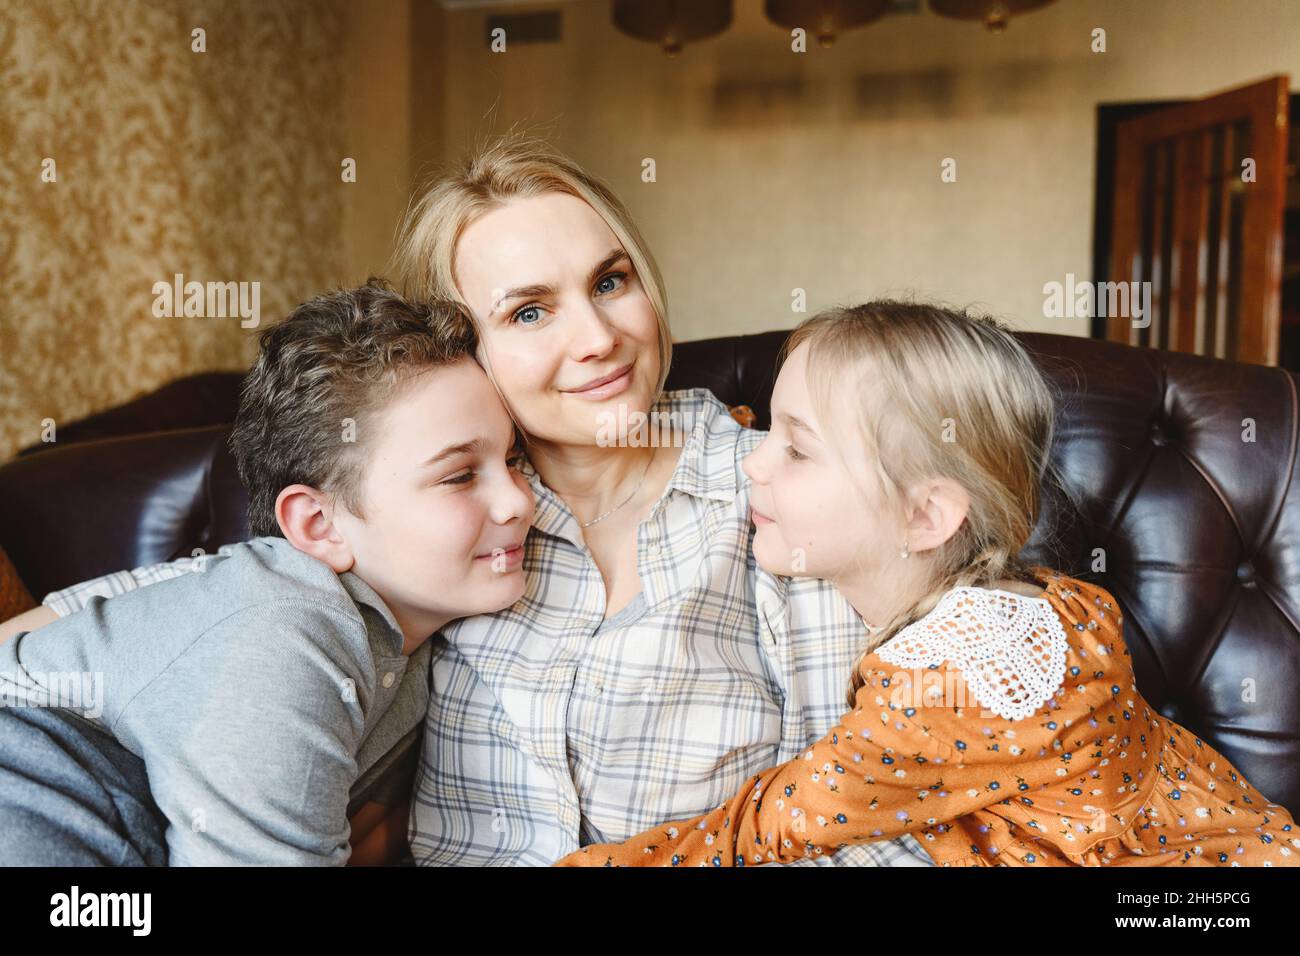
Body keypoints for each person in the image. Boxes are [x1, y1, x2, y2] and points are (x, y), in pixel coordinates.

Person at [2, 134, 931, 868]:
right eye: (529, 311)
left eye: (612, 282)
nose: (600, 337)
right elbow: (202, 608)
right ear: (460, 351)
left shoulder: (771, 489)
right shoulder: (431, 521)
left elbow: (867, 802)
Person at [554, 301, 1300, 867]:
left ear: (924, 516)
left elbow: (769, 825)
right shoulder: (1038, 602)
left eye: (796, 449)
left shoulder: (941, 688)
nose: (753, 461)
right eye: (765, 432)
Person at [0, 281, 534, 865]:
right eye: (458, 476)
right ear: (319, 524)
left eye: (512, 460)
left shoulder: (408, 650)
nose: (518, 503)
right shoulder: (286, 635)